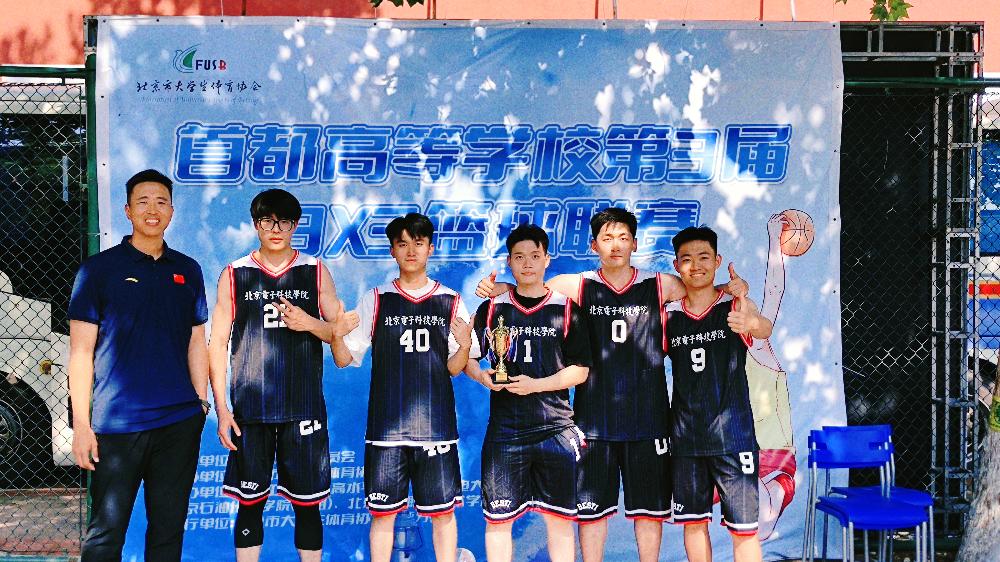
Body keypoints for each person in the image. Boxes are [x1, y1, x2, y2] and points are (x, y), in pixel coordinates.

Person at [475, 208, 747, 562]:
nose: (615, 245)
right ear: (594, 245)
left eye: (622, 238)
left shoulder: (659, 284)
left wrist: (733, 288)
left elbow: (701, 289)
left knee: (648, 514)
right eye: (607, 238)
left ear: (634, 243)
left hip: (648, 421)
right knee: (592, 514)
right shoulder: (578, 284)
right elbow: (532, 289)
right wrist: (502, 289)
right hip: (594, 421)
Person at [68, 169, 210, 561]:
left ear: (172, 211)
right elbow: (80, 352)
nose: (153, 210)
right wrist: (82, 425)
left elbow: (196, 340)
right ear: (128, 211)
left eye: (161, 202)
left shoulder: (188, 269)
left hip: (178, 423)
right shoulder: (97, 270)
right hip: (117, 425)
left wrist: (200, 404)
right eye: (143, 202)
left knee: (167, 532)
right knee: (105, 535)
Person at [330, 212, 475, 562]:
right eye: (403, 244)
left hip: (435, 429)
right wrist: (335, 334)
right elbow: (344, 358)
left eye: (418, 243)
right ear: (392, 250)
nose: (411, 251)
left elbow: (455, 368)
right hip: (387, 431)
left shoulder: (451, 300)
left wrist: (465, 345)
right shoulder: (376, 299)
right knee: (383, 516)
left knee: (443, 515)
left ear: (430, 248)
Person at [208, 189, 344, 562]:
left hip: (303, 408)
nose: (276, 229)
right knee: (249, 504)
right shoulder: (235, 273)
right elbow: (217, 344)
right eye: (268, 221)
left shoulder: (315, 270)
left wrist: (309, 322)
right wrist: (222, 408)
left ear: (295, 225)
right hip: (251, 409)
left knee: (308, 506)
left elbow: (338, 332)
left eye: (284, 221)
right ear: (256, 224)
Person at [465, 224, 591, 562]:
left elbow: (580, 370)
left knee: (560, 521)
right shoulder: (492, 309)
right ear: (509, 262)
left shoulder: (567, 309)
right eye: (519, 257)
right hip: (507, 431)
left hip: (555, 428)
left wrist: (536, 385)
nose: (527, 263)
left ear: (547, 259)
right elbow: (468, 357)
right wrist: (481, 377)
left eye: (535, 256)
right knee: (498, 522)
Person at [665, 226, 772, 562]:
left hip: (733, 436)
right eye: (687, 259)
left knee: (744, 529)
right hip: (687, 438)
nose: (696, 265)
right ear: (676, 266)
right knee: (693, 524)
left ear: (717, 261)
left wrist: (750, 324)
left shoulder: (734, 304)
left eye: (704, 257)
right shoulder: (668, 315)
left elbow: (763, 326)